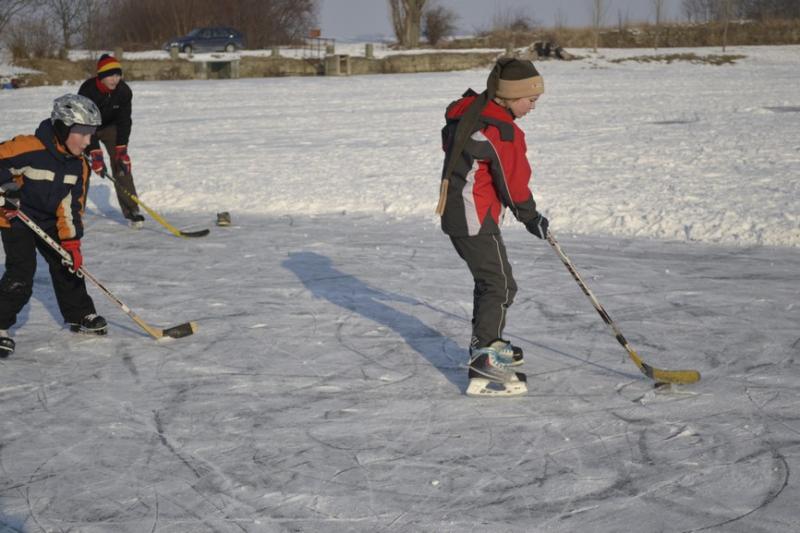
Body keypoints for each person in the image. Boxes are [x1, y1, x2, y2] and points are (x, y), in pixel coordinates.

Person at [437, 57, 550, 397]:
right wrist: (530, 216)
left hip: (461, 213)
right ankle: (484, 360)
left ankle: (486, 343)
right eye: (530, 100)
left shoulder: (472, 112)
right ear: (511, 96)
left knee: (490, 281)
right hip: (474, 216)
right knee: (500, 284)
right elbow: (513, 183)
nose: (532, 107)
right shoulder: (500, 130)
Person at [0, 94, 109, 357]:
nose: (87, 141)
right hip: (16, 217)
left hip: (49, 220)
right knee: (21, 274)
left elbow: (71, 207)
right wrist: (7, 188)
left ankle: (79, 314)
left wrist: (71, 242)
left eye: (91, 134)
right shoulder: (30, 147)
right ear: (62, 127)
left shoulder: (79, 165)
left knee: (68, 264)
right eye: (81, 132)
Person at [78, 53, 144, 228]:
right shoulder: (87, 90)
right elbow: (83, 122)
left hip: (110, 127)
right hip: (86, 128)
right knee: (82, 167)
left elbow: (124, 120)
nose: (115, 79)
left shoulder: (123, 91)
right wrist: (94, 151)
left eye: (118, 74)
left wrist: (122, 148)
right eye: (110, 75)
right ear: (101, 76)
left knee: (121, 164)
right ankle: (75, 211)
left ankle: (132, 211)